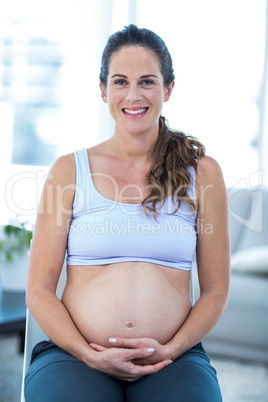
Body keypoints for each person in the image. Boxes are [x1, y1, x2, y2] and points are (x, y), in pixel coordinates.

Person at [24, 24, 230, 402]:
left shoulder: (203, 173)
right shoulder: (69, 171)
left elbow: (216, 289)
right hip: (76, 356)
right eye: (120, 81)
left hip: (173, 358)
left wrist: (172, 349)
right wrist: (88, 353)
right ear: (103, 90)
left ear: (168, 89)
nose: (133, 95)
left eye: (147, 82)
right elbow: (38, 289)